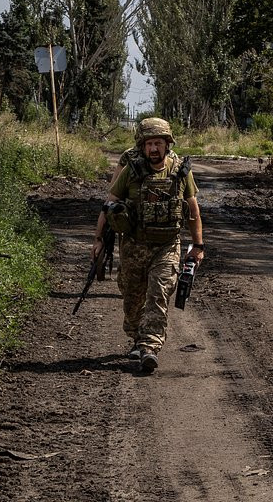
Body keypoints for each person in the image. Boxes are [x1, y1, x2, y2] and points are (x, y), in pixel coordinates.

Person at [92, 117, 205, 372]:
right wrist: (98, 239)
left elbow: (193, 211)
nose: (154, 149)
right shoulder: (131, 171)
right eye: (149, 144)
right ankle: (137, 335)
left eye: (158, 143)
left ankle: (149, 347)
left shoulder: (181, 171)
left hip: (167, 246)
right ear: (142, 146)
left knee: (158, 294)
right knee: (132, 299)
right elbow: (109, 204)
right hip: (134, 246)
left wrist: (198, 246)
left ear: (167, 144)